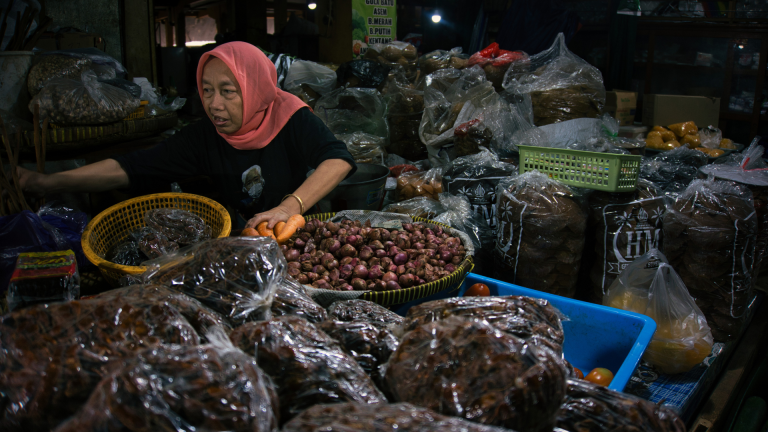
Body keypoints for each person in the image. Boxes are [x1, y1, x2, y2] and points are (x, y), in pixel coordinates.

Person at [16, 42, 356, 230]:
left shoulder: (290, 116)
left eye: (228, 91)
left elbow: (338, 160)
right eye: (207, 90)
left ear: (255, 88)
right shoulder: (204, 136)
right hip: (247, 239)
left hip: (301, 238)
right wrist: (47, 183)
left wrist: (287, 209)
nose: (214, 104)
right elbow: (130, 167)